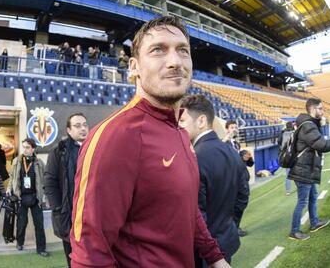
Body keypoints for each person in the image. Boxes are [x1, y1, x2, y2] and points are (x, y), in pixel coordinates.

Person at [70, 16, 230, 268]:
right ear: (133, 66)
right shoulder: (115, 136)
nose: (175, 61)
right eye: (158, 50)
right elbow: (90, 253)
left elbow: (187, 207)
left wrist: (215, 257)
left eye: (182, 51)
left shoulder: (178, 130)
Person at [179, 94, 249, 266]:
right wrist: (230, 224)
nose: (178, 126)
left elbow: (196, 215)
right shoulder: (231, 151)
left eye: (182, 121)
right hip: (226, 241)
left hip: (205, 254)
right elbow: (243, 195)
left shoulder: (194, 159)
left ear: (201, 121)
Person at [288, 98, 330, 240]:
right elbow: (322, 145)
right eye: (320, 108)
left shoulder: (309, 124)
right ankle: (294, 231)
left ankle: (314, 222)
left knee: (312, 197)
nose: (323, 111)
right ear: (312, 109)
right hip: (303, 170)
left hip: (308, 169)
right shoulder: (308, 126)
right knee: (302, 202)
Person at [44, 113, 89, 268]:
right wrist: (58, 207)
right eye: (77, 125)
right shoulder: (59, 152)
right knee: (73, 259)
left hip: (92, 215)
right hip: (69, 215)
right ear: (69, 130)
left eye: (85, 124)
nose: (83, 128)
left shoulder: (95, 149)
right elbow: (49, 183)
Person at [7, 138, 48, 256]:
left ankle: (41, 249)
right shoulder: (16, 161)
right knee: (21, 223)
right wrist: (9, 188)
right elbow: (12, 177)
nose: (25, 149)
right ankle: (19, 242)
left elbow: (45, 180)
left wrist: (45, 196)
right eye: (23, 147)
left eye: (27, 147)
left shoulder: (39, 163)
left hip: (36, 198)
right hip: (21, 198)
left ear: (33, 149)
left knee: (39, 224)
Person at [237, 149, 254, 237]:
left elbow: (250, 164)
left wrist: (249, 157)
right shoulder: (238, 161)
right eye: (245, 155)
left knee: (240, 209)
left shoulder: (242, 160)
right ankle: (235, 229)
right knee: (237, 210)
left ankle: (236, 228)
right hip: (240, 189)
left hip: (243, 188)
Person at [278, 121, 295, 195]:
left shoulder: (282, 134)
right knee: (297, 172)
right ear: (292, 126)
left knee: (288, 174)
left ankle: (288, 191)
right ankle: (299, 186)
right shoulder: (294, 133)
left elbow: (279, 143)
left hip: (285, 156)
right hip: (293, 155)